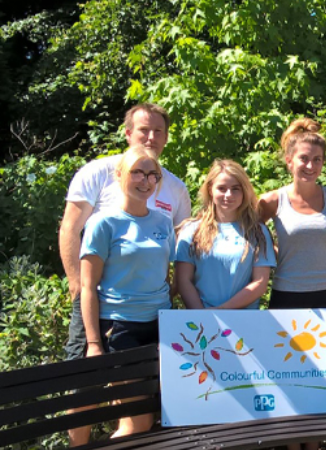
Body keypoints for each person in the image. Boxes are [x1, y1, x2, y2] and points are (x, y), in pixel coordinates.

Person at [59, 103, 190, 446]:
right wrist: (81, 290)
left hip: (150, 315)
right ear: (128, 132)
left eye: (158, 131)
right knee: (85, 389)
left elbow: (179, 252)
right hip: (100, 306)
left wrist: (168, 294)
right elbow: (71, 229)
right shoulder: (97, 172)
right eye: (144, 129)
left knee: (137, 405)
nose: (151, 136)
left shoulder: (174, 189)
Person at [80, 145, 175, 439]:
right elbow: (87, 287)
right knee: (138, 423)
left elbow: (164, 273)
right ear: (120, 175)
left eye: (152, 175)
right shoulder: (102, 223)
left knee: (162, 417)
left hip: (163, 326)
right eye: (137, 172)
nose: (145, 181)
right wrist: (95, 342)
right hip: (122, 330)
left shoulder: (163, 221)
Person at [258, 118, 326, 310]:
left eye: (317, 160)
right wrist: (275, 253)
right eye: (304, 159)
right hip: (287, 292)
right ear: (290, 161)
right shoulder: (272, 201)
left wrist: (323, 245)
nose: (310, 166)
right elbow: (252, 230)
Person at [175, 159, 275, 310]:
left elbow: (260, 282)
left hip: (245, 320)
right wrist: (201, 315)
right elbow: (183, 280)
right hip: (200, 321)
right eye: (222, 188)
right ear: (210, 190)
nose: (229, 195)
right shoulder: (191, 230)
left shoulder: (257, 232)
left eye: (236, 189)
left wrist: (221, 311)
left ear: (244, 191)